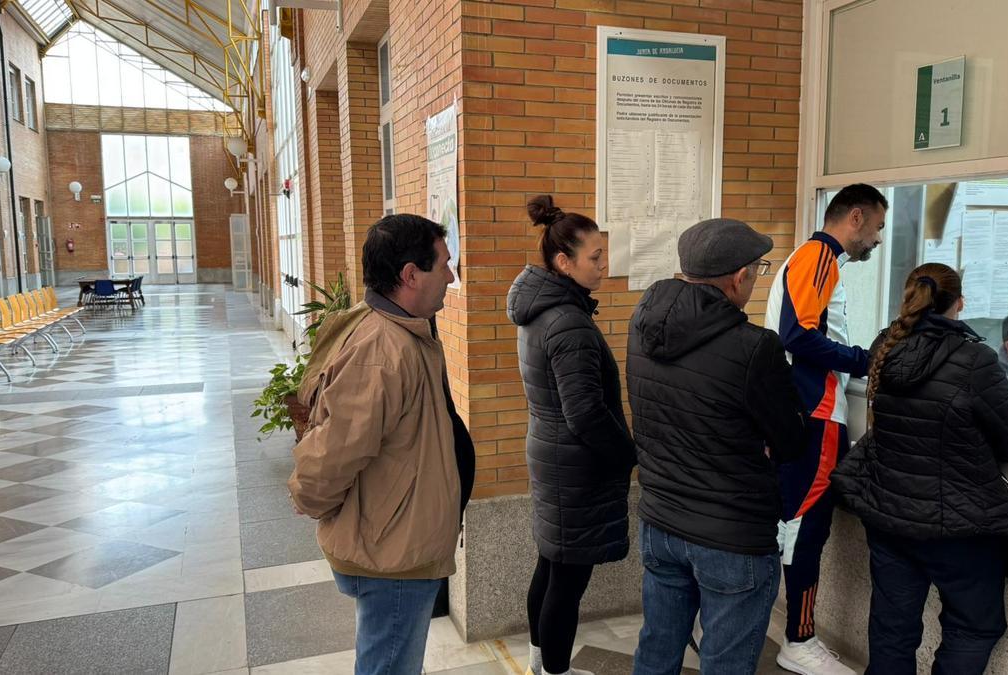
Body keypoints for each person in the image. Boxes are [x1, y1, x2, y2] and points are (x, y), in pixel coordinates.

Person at [288, 214, 475, 675]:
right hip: (390, 551)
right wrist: (308, 495)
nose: (451, 277)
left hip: (397, 538)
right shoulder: (381, 350)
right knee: (388, 665)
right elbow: (333, 452)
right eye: (444, 266)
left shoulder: (404, 329)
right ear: (410, 275)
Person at [832, 263, 1008, 674]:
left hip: (889, 515)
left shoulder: (886, 347)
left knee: (892, 629)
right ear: (958, 303)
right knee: (972, 628)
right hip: (958, 528)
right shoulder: (974, 359)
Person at [627, 218, 807, 675]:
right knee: (725, 663)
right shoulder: (754, 347)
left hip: (661, 522)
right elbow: (791, 440)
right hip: (732, 536)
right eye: (758, 270)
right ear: (738, 277)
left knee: (656, 652)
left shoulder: (642, 324)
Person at [507, 195, 637, 675]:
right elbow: (585, 414)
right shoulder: (569, 324)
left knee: (551, 565)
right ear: (563, 262)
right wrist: (629, 454)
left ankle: (541, 664)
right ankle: (554, 671)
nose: (604, 266)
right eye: (595, 258)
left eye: (604, 254)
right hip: (575, 466)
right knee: (566, 581)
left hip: (553, 454)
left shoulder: (542, 309)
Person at [764, 183, 888, 675]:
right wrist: (864, 360)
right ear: (854, 217)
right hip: (813, 414)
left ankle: (794, 633)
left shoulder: (818, 260)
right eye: (877, 227)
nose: (876, 240)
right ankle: (799, 639)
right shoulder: (819, 255)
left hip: (804, 412)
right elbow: (799, 335)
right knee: (805, 526)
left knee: (796, 524)